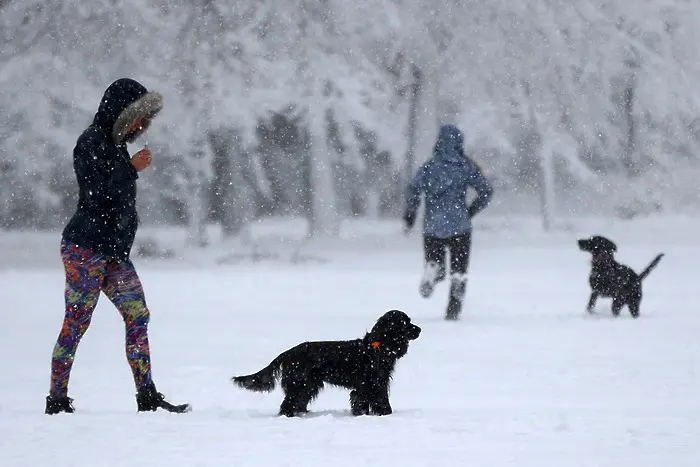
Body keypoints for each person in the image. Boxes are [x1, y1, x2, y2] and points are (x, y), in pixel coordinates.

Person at [45, 78, 190, 414]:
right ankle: (56, 399)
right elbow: (97, 195)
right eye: (136, 118)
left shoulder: (115, 145)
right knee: (77, 322)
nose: (140, 126)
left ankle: (147, 395)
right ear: (120, 114)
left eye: (144, 120)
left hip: (113, 254)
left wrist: (127, 167)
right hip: (84, 249)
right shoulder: (90, 143)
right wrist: (131, 168)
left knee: (138, 315)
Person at [403, 124, 493, 320]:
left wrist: (410, 214)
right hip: (460, 224)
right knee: (459, 268)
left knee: (436, 260)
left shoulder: (429, 166)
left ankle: (433, 270)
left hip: (433, 225)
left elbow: (413, 190)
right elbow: (486, 191)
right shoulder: (466, 165)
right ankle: (453, 308)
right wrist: (471, 210)